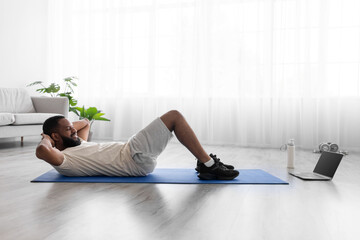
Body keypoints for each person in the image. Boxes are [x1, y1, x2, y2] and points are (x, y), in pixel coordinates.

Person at [36, 110, 239, 180]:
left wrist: (67, 128)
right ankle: (208, 165)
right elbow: (42, 150)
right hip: (132, 157)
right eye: (68, 130)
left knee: (173, 117)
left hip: (132, 152)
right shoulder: (65, 160)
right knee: (174, 116)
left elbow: (85, 123)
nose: (74, 130)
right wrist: (46, 137)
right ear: (54, 137)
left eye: (71, 127)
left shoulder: (77, 144)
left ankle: (206, 164)